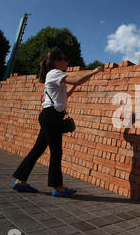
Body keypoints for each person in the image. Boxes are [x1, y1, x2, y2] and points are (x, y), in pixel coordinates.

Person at [12, 48, 103, 196]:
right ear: (56, 62)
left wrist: (75, 85)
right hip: (51, 117)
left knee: (38, 150)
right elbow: (77, 79)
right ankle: (58, 187)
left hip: (50, 116)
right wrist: (95, 71)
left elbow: (65, 95)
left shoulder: (55, 76)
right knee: (56, 152)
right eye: (64, 59)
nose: (67, 61)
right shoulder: (55, 73)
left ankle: (20, 181)